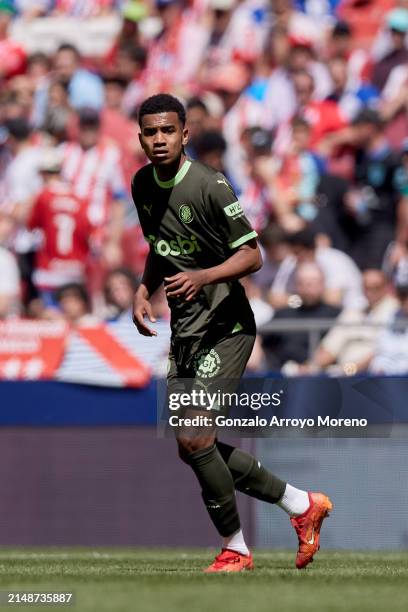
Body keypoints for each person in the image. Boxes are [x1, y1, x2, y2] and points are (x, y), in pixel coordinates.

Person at [131, 93, 333, 573]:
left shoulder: (209, 185)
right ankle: (301, 504)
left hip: (226, 325)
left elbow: (253, 256)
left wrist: (202, 277)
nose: (159, 139)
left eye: (167, 131)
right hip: (185, 329)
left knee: (197, 437)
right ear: (141, 138)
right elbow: (162, 247)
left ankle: (236, 549)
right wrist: (143, 289)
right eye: (150, 132)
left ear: (184, 134)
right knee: (190, 443)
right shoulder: (142, 185)